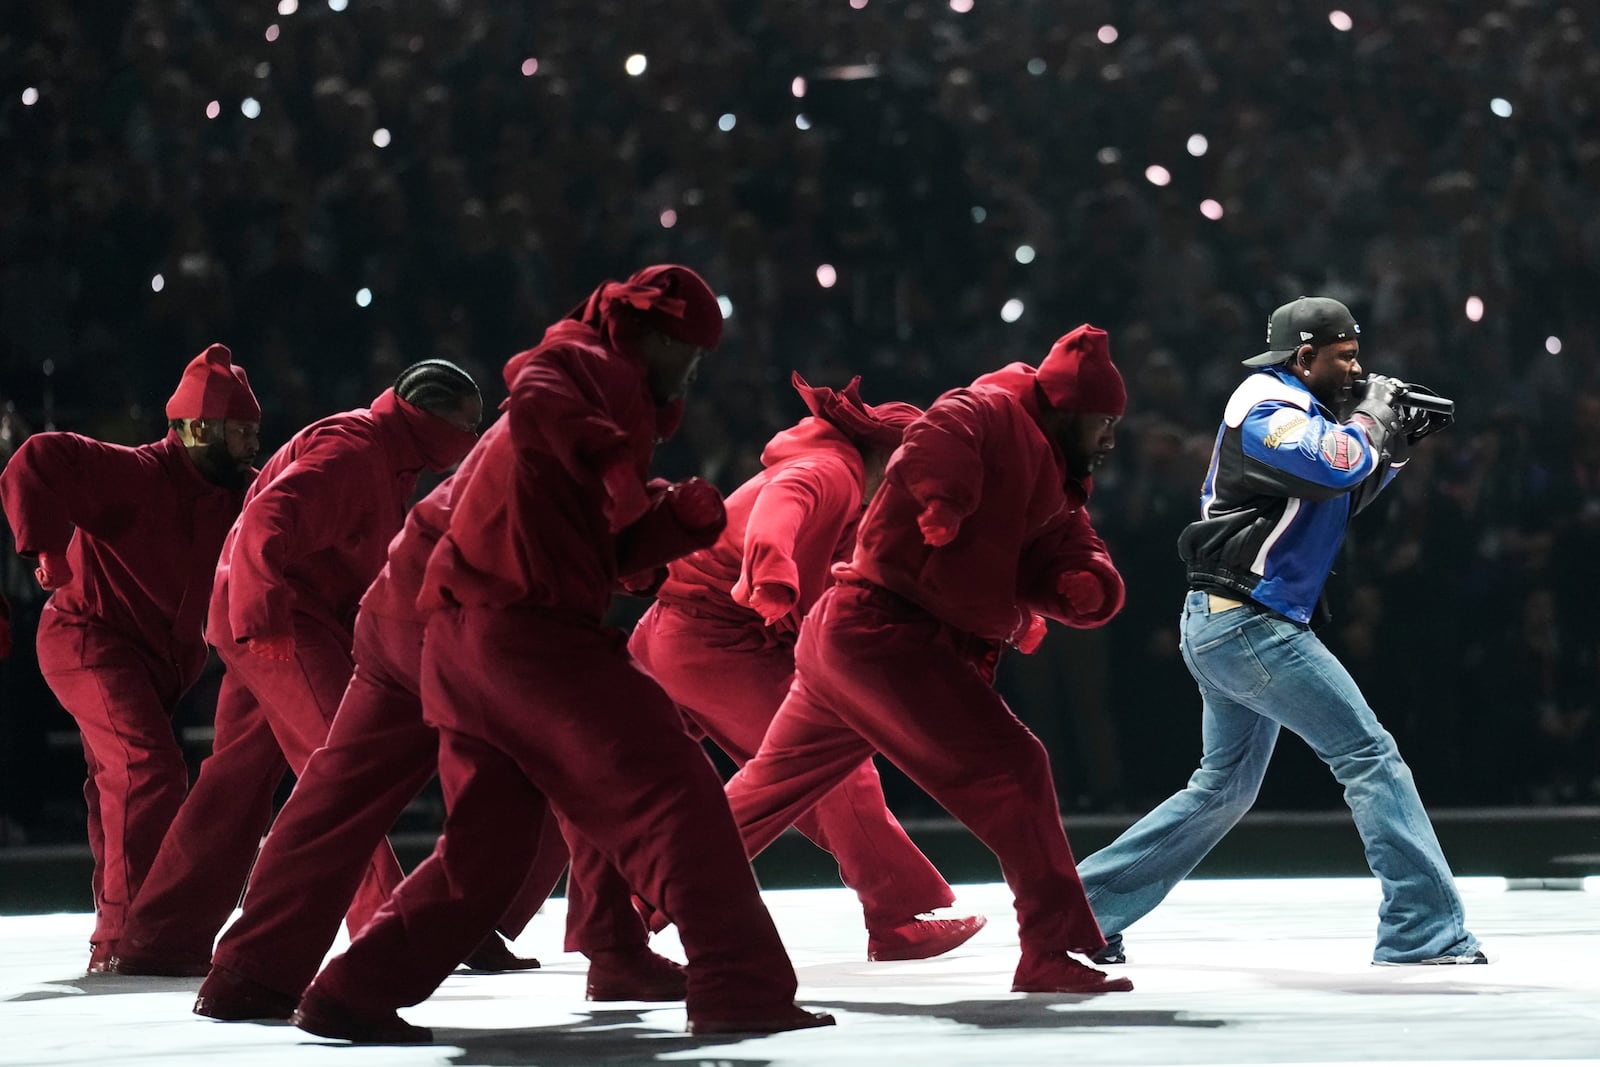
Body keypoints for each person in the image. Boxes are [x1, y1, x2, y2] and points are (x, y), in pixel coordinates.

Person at [289, 265, 835, 1043]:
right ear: (651, 334)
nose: (694, 366)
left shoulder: (595, 392)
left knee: (487, 854)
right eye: (689, 347)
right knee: (676, 788)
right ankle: (741, 983)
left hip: (465, 644)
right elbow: (537, 378)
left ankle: (350, 991)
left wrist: (670, 526)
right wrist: (617, 462)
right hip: (530, 639)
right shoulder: (590, 367)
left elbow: (581, 532)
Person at [720, 324, 1135, 995]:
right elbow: (945, 433)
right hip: (887, 637)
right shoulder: (991, 411)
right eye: (1104, 422)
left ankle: (633, 907)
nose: (1113, 438)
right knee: (1015, 767)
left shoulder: (1055, 471)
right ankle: (1050, 947)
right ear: (1066, 410)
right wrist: (944, 499)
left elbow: (1064, 541)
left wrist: (1084, 584)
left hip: (849, 636)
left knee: (770, 788)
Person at [193, 459, 683, 1023]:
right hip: (472, 626)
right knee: (555, 791)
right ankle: (364, 984)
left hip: (396, 613)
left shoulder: (506, 436)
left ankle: (248, 973)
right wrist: (664, 533)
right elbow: (272, 511)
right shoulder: (590, 422)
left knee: (339, 795)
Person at [1074, 296, 1483, 966]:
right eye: (1345, 356)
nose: (1358, 368)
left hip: (1233, 622)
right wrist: (1374, 421)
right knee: (1370, 757)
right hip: (1247, 624)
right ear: (1304, 356)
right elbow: (1335, 463)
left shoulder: (1305, 411)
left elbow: (1337, 491)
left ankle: (1081, 910)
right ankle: (1422, 927)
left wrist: (1394, 449)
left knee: (1223, 788)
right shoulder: (1264, 404)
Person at [110, 359, 489, 977]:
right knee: (347, 767)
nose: (474, 439)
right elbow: (269, 517)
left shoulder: (386, 454)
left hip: (274, 617)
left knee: (234, 784)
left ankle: (158, 937)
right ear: (432, 417)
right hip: (281, 621)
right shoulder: (356, 449)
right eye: (468, 426)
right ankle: (389, 931)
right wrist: (263, 609)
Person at [629, 371, 986, 960]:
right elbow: (782, 507)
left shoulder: (846, 482)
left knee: (798, 785)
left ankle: (609, 914)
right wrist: (769, 571)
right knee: (833, 770)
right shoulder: (829, 471)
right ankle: (893, 915)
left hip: (687, 634)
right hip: (712, 639)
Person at [0, 343, 261, 973]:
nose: (252, 442)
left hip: (152, 662)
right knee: (147, 770)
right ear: (195, 429)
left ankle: (119, 937)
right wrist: (45, 550)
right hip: (89, 641)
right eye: (240, 431)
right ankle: (131, 940)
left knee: (118, 784)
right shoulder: (138, 474)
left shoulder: (236, 494)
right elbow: (39, 455)